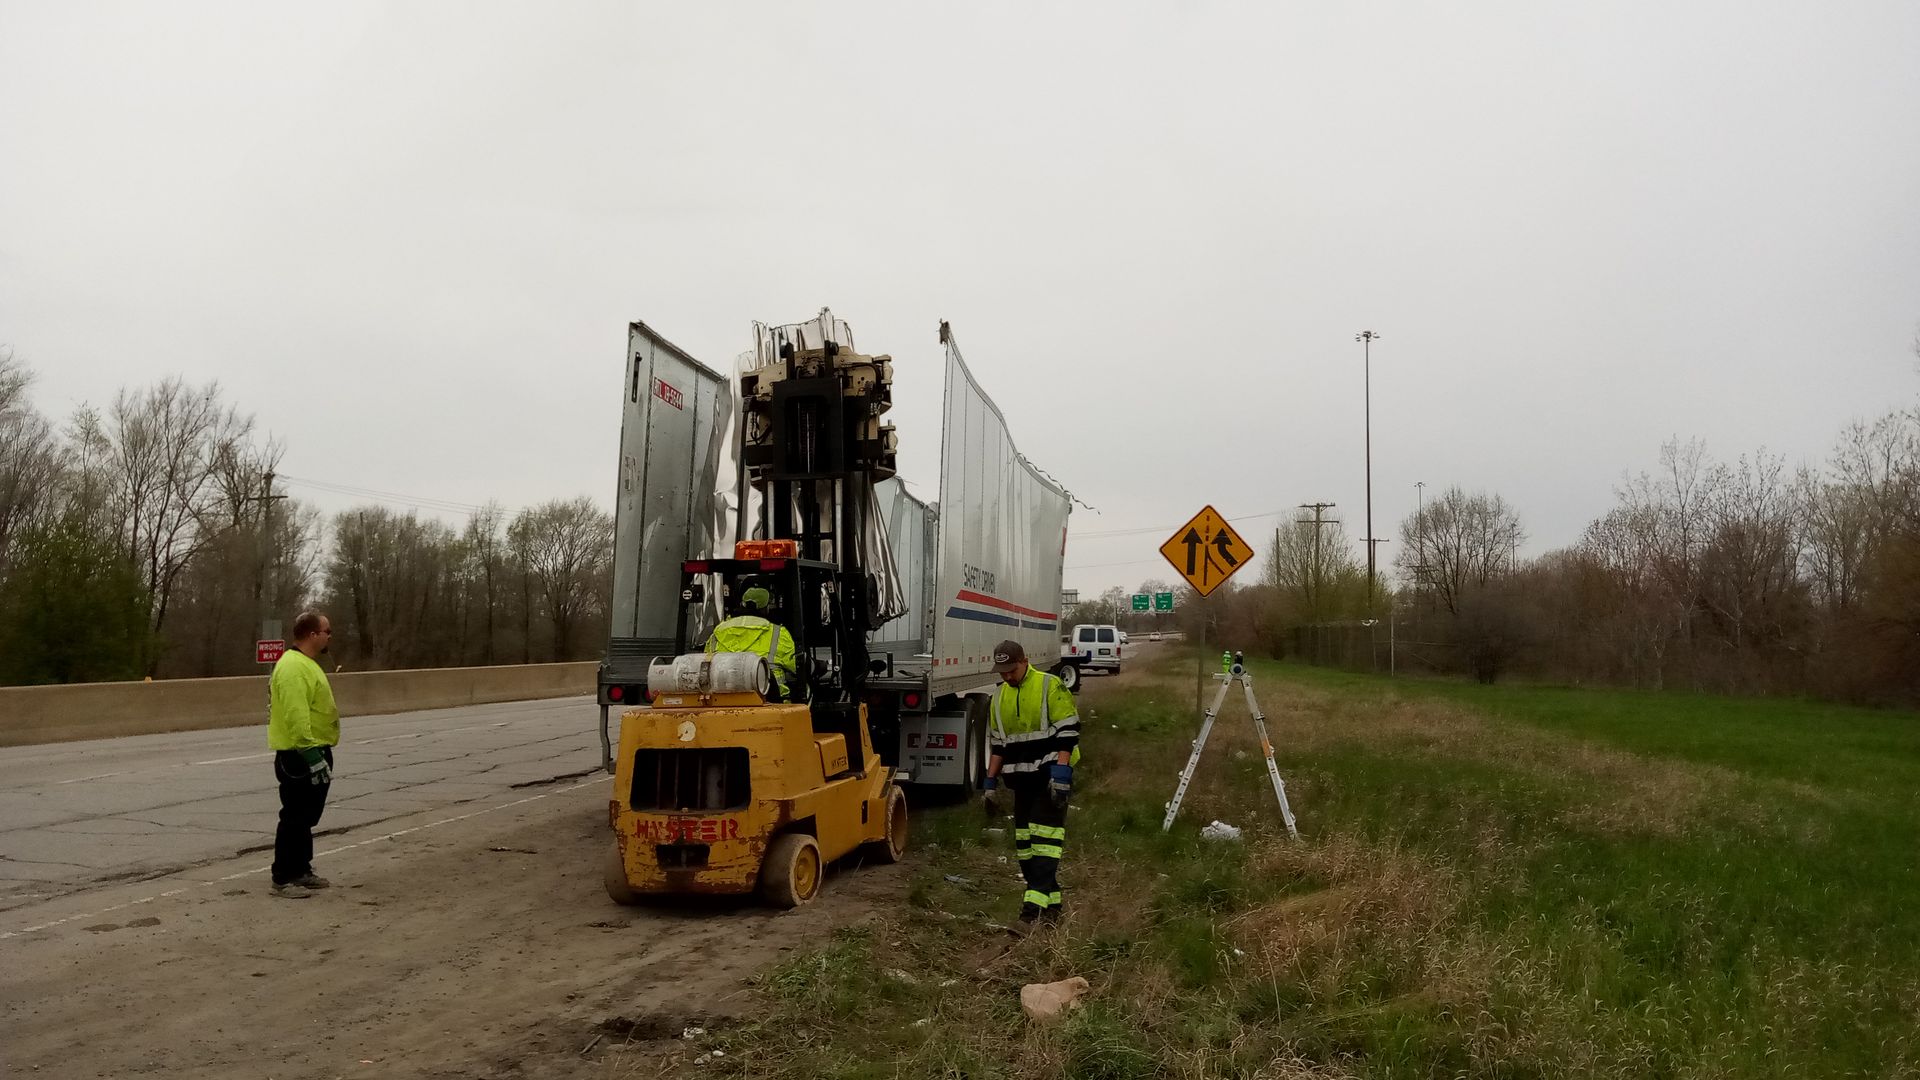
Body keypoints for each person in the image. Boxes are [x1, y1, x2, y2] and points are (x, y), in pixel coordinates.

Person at [980, 639, 1081, 925]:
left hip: (1049, 779)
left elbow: (1068, 734)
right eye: (1002, 672)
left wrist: (1061, 776)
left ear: (1025, 661)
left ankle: (1030, 914)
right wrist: (989, 783)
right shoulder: (998, 698)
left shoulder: (1050, 685)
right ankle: (1052, 909)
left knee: (1045, 845)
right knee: (1026, 849)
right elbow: (998, 746)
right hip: (1020, 783)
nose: (1007, 676)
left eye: (1011, 670)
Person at [268, 611, 340, 898]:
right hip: (299, 755)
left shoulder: (307, 664)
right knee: (294, 815)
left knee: (306, 816)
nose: (329, 636)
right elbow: (296, 714)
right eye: (327, 631)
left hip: (316, 748)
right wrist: (310, 754)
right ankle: (283, 877)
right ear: (312, 634)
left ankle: (301, 869)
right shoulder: (292, 667)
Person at [705, 583, 799, 700]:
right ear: (766, 608)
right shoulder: (777, 633)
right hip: (770, 701)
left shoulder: (718, 632)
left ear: (742, 604)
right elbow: (797, 666)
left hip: (723, 702)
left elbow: (706, 664)